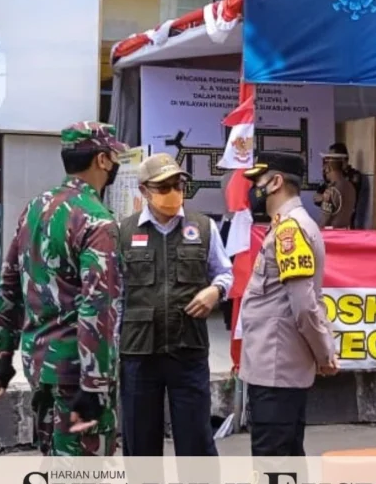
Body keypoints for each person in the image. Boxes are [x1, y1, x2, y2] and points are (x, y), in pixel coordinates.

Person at [0, 121, 127, 458]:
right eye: (115, 159)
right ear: (103, 160)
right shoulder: (97, 221)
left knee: (56, 468)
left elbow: (9, 283)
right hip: (77, 375)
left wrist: (3, 357)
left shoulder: (35, 208)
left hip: (39, 366)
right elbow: (98, 305)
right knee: (78, 483)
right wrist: (93, 386)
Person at [118, 152, 233, 456]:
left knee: (196, 440)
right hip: (139, 352)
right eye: (164, 187)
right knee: (140, 442)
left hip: (188, 350)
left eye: (178, 185)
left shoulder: (203, 227)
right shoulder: (124, 232)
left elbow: (225, 273)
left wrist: (215, 292)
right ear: (144, 191)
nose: (173, 193)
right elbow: (114, 295)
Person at [239, 151, 339, 456]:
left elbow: (305, 304)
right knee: (287, 462)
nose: (253, 190)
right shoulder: (288, 226)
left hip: (275, 367)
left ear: (276, 182)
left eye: (258, 182)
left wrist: (324, 354)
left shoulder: (290, 231)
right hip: (278, 365)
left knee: (274, 464)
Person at [314, 143, 363, 228]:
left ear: (329, 167)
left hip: (332, 236)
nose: (324, 169)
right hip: (346, 234)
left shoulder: (332, 191)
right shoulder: (350, 186)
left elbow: (324, 221)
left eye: (325, 164)